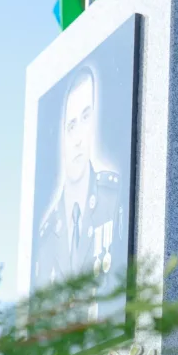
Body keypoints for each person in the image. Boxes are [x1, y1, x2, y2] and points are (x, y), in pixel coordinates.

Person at [32, 65, 126, 321]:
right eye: (71, 125)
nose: (77, 138)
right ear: (61, 134)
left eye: (85, 117)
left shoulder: (113, 198)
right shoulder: (47, 233)